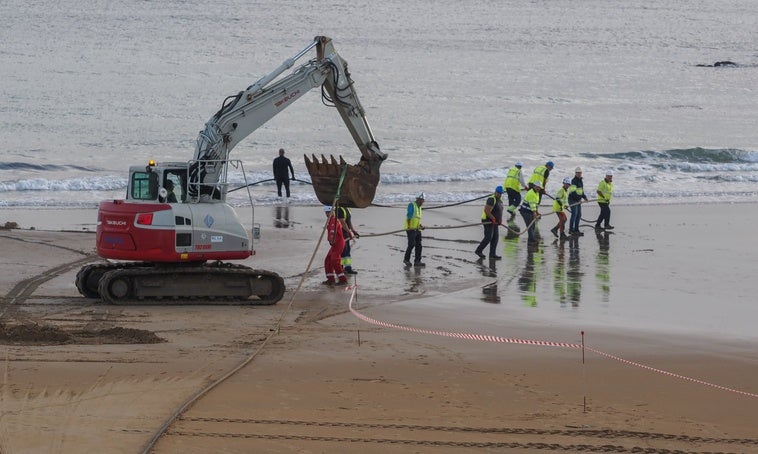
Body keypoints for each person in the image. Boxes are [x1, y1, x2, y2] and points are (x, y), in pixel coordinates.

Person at [475, 186, 505, 259]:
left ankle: (492, 254)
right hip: (487, 220)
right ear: (495, 192)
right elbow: (487, 211)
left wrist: (500, 220)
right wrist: (493, 218)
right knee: (488, 237)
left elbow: (500, 211)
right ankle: (478, 250)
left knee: (495, 237)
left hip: (495, 222)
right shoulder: (491, 199)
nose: (499, 195)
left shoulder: (500, 201)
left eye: (501, 193)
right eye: (498, 193)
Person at [323, 206, 348, 285]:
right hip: (335, 244)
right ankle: (330, 278)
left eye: (328, 212)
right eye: (326, 213)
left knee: (335, 260)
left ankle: (342, 279)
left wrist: (331, 239)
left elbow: (332, 231)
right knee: (328, 260)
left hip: (338, 243)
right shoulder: (330, 220)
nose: (327, 214)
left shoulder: (334, 220)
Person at [403, 192, 425, 267]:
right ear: (418, 199)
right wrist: (409, 226)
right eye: (422, 200)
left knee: (419, 245)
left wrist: (420, 226)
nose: (423, 202)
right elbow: (409, 216)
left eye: (423, 200)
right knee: (411, 244)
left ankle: (417, 261)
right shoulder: (412, 205)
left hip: (417, 229)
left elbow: (417, 219)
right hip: (410, 229)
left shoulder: (420, 208)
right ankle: (406, 259)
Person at [337, 205, 359, 274]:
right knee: (343, 252)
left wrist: (353, 231)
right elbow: (342, 222)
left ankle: (348, 268)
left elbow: (349, 221)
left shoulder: (347, 209)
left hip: (346, 233)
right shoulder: (339, 209)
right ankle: (340, 269)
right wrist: (349, 232)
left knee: (347, 252)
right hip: (340, 234)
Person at [567, 166, 588, 236]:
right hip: (572, 200)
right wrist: (577, 200)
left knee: (579, 215)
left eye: (580, 173)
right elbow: (573, 192)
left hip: (578, 200)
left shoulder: (580, 181)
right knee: (574, 214)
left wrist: (584, 197)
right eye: (578, 173)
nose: (579, 174)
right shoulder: (573, 181)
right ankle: (571, 230)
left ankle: (576, 229)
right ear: (575, 173)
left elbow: (581, 191)